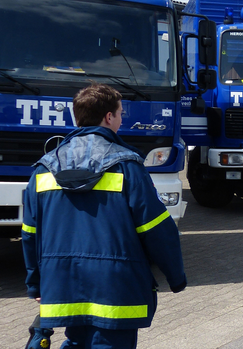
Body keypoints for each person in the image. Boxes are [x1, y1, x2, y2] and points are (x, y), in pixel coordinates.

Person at [22, 83, 186, 348]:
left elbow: (30, 233)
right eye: (120, 114)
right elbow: (157, 229)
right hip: (116, 288)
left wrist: (35, 284)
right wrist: (176, 277)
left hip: (63, 282)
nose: (121, 120)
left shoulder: (44, 169)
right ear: (108, 117)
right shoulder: (127, 166)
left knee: (75, 340)